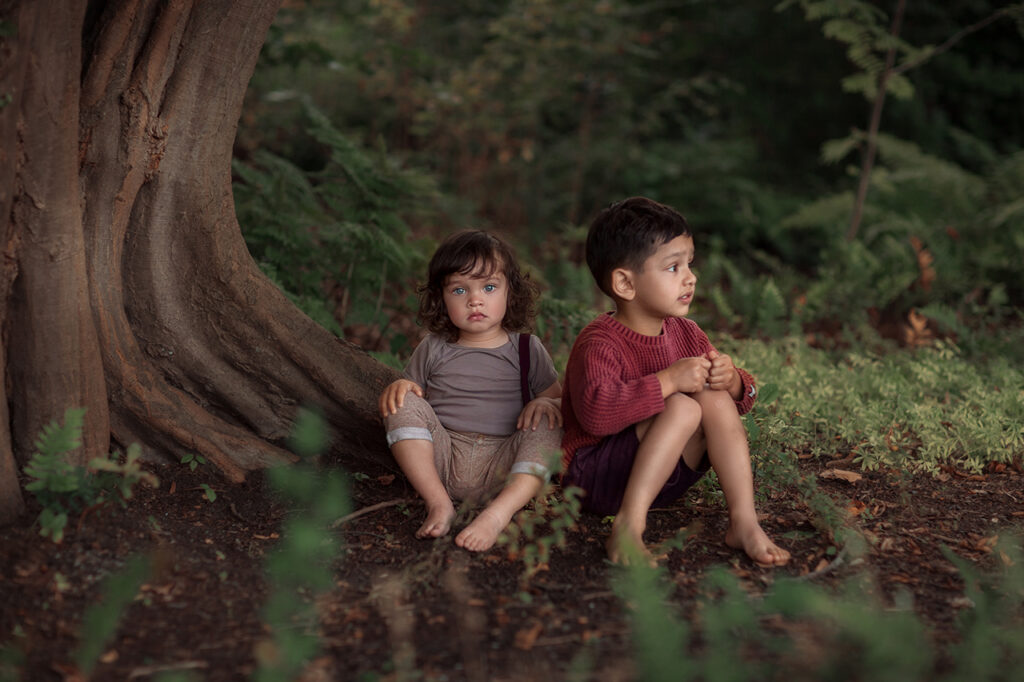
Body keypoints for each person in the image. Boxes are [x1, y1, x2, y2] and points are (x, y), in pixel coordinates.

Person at [560, 197, 790, 567]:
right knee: (683, 405)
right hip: (595, 480)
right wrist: (667, 380)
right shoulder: (600, 341)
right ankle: (628, 526)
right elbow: (596, 416)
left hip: (664, 480)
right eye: (673, 267)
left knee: (713, 399)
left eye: (689, 264)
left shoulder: (686, 332)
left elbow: (745, 399)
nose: (690, 277)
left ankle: (744, 521)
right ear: (624, 282)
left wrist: (732, 381)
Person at [379, 230, 563, 552]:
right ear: (441, 297)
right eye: (460, 289)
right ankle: (438, 503)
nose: (475, 300)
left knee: (549, 419)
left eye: (489, 287)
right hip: (443, 456)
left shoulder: (526, 348)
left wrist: (547, 402)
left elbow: (555, 397)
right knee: (401, 400)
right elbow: (414, 398)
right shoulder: (433, 347)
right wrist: (401, 386)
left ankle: (497, 514)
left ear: (510, 292)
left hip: (504, 464)